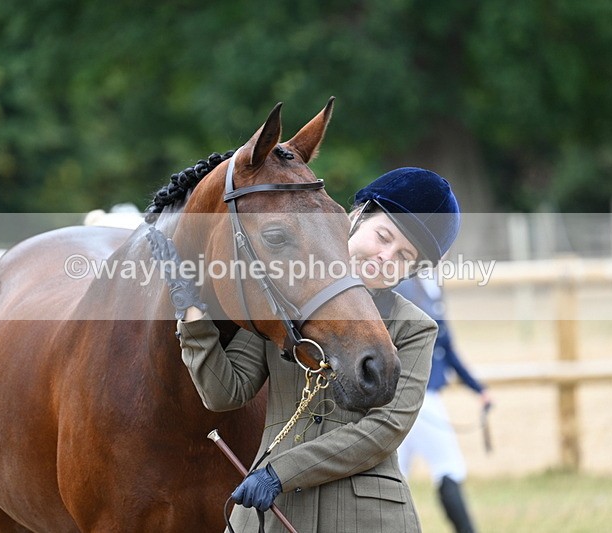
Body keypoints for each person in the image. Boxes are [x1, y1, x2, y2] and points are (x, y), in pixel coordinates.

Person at [147, 166, 461, 532]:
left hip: (366, 517)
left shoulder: (415, 327)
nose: (386, 257)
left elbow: (385, 429)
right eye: (383, 236)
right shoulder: (281, 295)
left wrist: (279, 473)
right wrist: (192, 312)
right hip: (269, 514)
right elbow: (224, 392)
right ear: (357, 217)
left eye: (404, 256)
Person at [394, 275, 492, 533]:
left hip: (418, 397)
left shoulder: (431, 287)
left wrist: (478, 389)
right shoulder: (405, 287)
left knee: (395, 474)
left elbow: (447, 349)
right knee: (448, 467)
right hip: (418, 398)